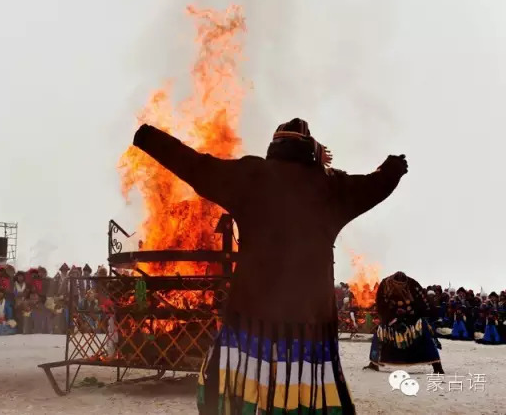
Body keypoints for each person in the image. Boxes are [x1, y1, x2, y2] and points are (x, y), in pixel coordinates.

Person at [130, 119, 408, 414]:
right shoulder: (330, 187)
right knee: (304, 391)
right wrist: (391, 169)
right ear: (310, 150)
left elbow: (195, 165)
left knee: (241, 389)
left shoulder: (251, 176)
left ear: (274, 146)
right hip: (309, 320)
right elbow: (373, 185)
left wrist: (149, 138)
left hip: (252, 315)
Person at [366, 271, 444, 374]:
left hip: (412, 316)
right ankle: (374, 363)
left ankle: (437, 366)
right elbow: (381, 305)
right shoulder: (385, 285)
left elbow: (423, 304)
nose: (399, 286)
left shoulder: (414, 285)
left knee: (424, 332)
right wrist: (392, 319)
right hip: (390, 316)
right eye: (397, 284)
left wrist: (409, 314)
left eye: (401, 284)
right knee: (380, 333)